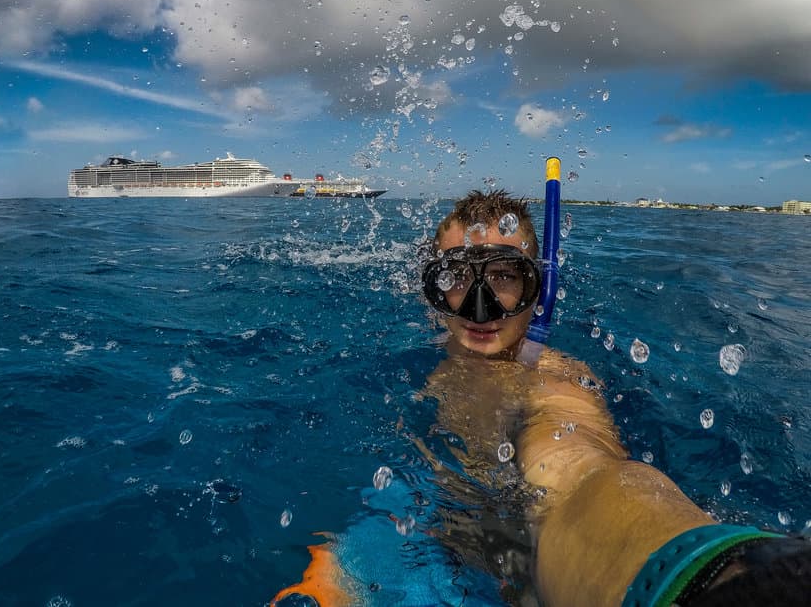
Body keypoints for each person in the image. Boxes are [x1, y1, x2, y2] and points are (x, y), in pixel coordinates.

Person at [273, 187, 810, 607]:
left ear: (540, 289)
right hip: (428, 531)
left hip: (532, 568)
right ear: (430, 288)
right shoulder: (427, 352)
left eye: (506, 278)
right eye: (456, 277)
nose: (479, 308)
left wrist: (716, 581)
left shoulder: (554, 382)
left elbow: (579, 473)